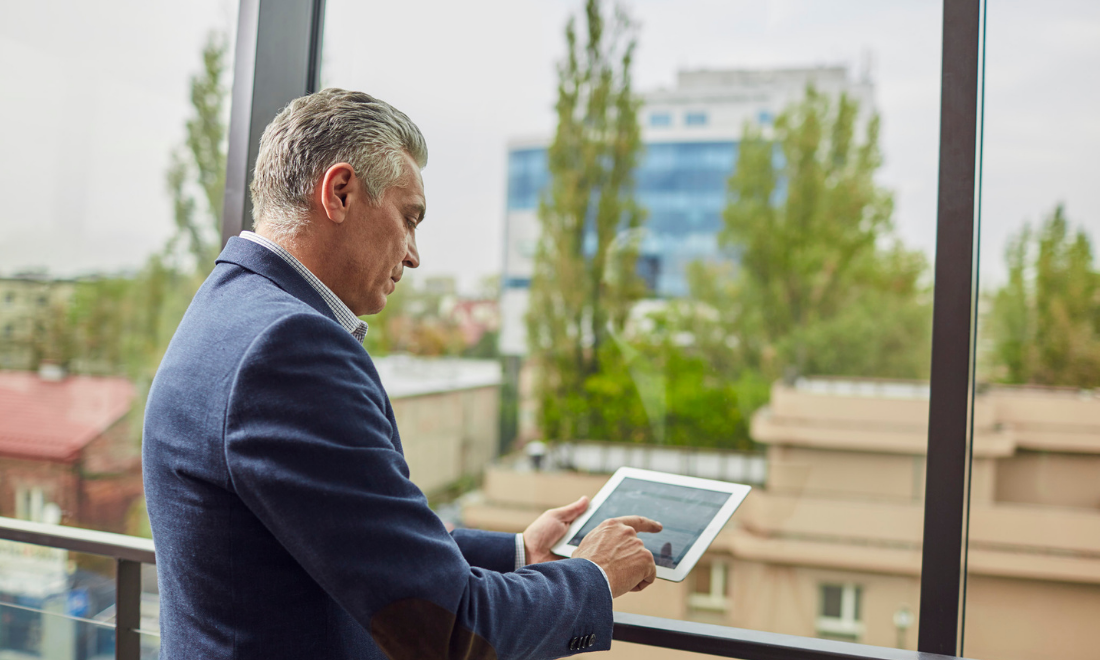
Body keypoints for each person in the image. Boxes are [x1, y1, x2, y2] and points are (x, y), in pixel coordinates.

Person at [142, 88, 660, 660]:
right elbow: (448, 631)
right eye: (409, 218)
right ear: (339, 193)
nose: (414, 255)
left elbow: (343, 531)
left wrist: (515, 553)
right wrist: (595, 577)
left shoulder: (227, 309)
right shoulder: (289, 349)